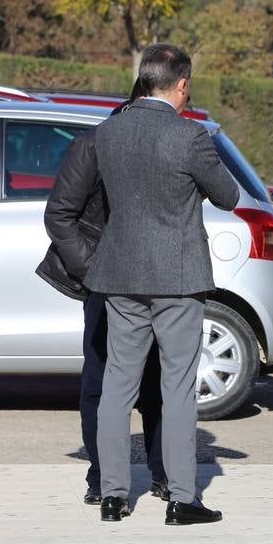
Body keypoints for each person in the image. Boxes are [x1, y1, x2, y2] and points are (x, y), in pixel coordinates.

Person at [84, 44, 240, 525]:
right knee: (176, 386)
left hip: (120, 273)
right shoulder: (189, 135)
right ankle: (181, 498)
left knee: (117, 385)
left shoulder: (108, 131)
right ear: (182, 84)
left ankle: (112, 495)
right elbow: (229, 196)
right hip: (176, 275)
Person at [38, 81, 167, 507]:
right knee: (100, 381)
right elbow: (60, 213)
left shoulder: (165, 143)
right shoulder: (95, 143)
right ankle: (101, 474)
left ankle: (162, 471)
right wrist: (93, 270)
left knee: (157, 382)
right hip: (106, 281)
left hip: (159, 279)